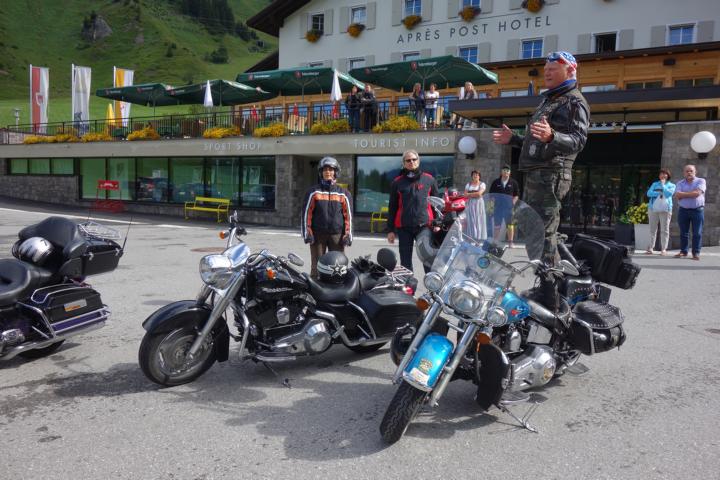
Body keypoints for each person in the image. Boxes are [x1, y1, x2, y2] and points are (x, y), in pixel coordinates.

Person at [492, 51, 590, 265]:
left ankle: (550, 283)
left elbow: (578, 140)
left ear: (570, 71)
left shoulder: (574, 101)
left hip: (551, 175)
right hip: (536, 174)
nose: (546, 73)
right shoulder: (549, 100)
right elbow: (537, 140)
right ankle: (561, 273)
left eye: (552, 69)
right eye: (546, 69)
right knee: (536, 231)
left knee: (541, 233)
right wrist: (514, 139)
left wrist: (553, 136)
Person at [387, 149, 440, 273]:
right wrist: (390, 230)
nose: (411, 162)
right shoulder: (397, 182)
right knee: (405, 262)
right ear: (404, 163)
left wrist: (437, 223)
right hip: (404, 227)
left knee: (428, 259)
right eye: (408, 160)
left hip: (425, 226)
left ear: (418, 161)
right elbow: (392, 207)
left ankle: (431, 284)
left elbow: (437, 204)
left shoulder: (429, 180)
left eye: (414, 159)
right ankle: (408, 285)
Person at [301, 157, 353, 279]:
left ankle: (338, 289)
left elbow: (349, 216)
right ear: (321, 172)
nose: (327, 172)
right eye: (324, 169)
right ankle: (315, 289)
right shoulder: (313, 192)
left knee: (338, 267)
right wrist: (307, 233)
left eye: (331, 169)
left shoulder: (344, 193)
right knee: (317, 267)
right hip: (317, 235)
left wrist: (348, 235)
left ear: (336, 172)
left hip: (337, 236)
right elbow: (306, 214)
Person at [673, 164, 705, 260]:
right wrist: (691, 193)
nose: (689, 173)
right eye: (687, 171)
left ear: (695, 172)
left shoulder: (701, 181)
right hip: (683, 210)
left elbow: (697, 193)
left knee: (697, 233)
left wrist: (683, 194)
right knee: (683, 233)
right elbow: (677, 195)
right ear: (684, 173)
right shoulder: (680, 183)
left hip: (697, 210)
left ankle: (696, 253)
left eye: (691, 171)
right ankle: (684, 251)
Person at [488, 165, 520, 247]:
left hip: (509, 208)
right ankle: (495, 241)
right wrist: (491, 208)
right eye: (504, 170)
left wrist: (513, 202)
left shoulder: (513, 183)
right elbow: (491, 195)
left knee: (510, 225)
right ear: (501, 172)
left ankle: (510, 242)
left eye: (507, 170)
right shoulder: (496, 182)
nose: (506, 172)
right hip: (498, 208)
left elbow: (516, 195)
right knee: (497, 226)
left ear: (510, 172)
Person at [646, 168, 676, 255]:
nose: (662, 175)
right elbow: (649, 193)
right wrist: (659, 193)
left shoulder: (672, 185)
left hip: (666, 209)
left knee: (664, 229)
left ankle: (663, 249)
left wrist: (663, 186)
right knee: (652, 229)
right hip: (653, 208)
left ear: (668, 175)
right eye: (661, 174)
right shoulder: (655, 184)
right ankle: (650, 248)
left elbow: (668, 194)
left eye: (665, 174)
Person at [464, 170, 487, 241]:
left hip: (478, 203)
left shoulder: (482, 184)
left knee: (478, 220)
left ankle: (479, 238)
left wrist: (469, 194)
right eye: (474, 174)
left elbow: (479, 194)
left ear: (479, 176)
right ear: (472, 176)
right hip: (470, 203)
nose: (475, 176)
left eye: (477, 174)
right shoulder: (468, 184)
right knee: (471, 219)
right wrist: (474, 194)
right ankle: (471, 237)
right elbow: (465, 195)